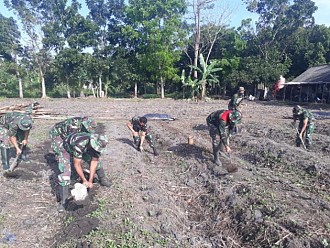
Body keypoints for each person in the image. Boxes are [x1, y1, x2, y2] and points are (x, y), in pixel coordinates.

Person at [57, 132, 111, 212]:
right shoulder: (80, 143)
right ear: (92, 142)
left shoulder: (98, 145)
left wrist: (90, 180)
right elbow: (77, 164)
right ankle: (64, 202)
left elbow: (94, 162)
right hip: (66, 148)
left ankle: (103, 180)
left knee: (98, 164)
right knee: (65, 175)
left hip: (84, 148)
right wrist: (84, 180)